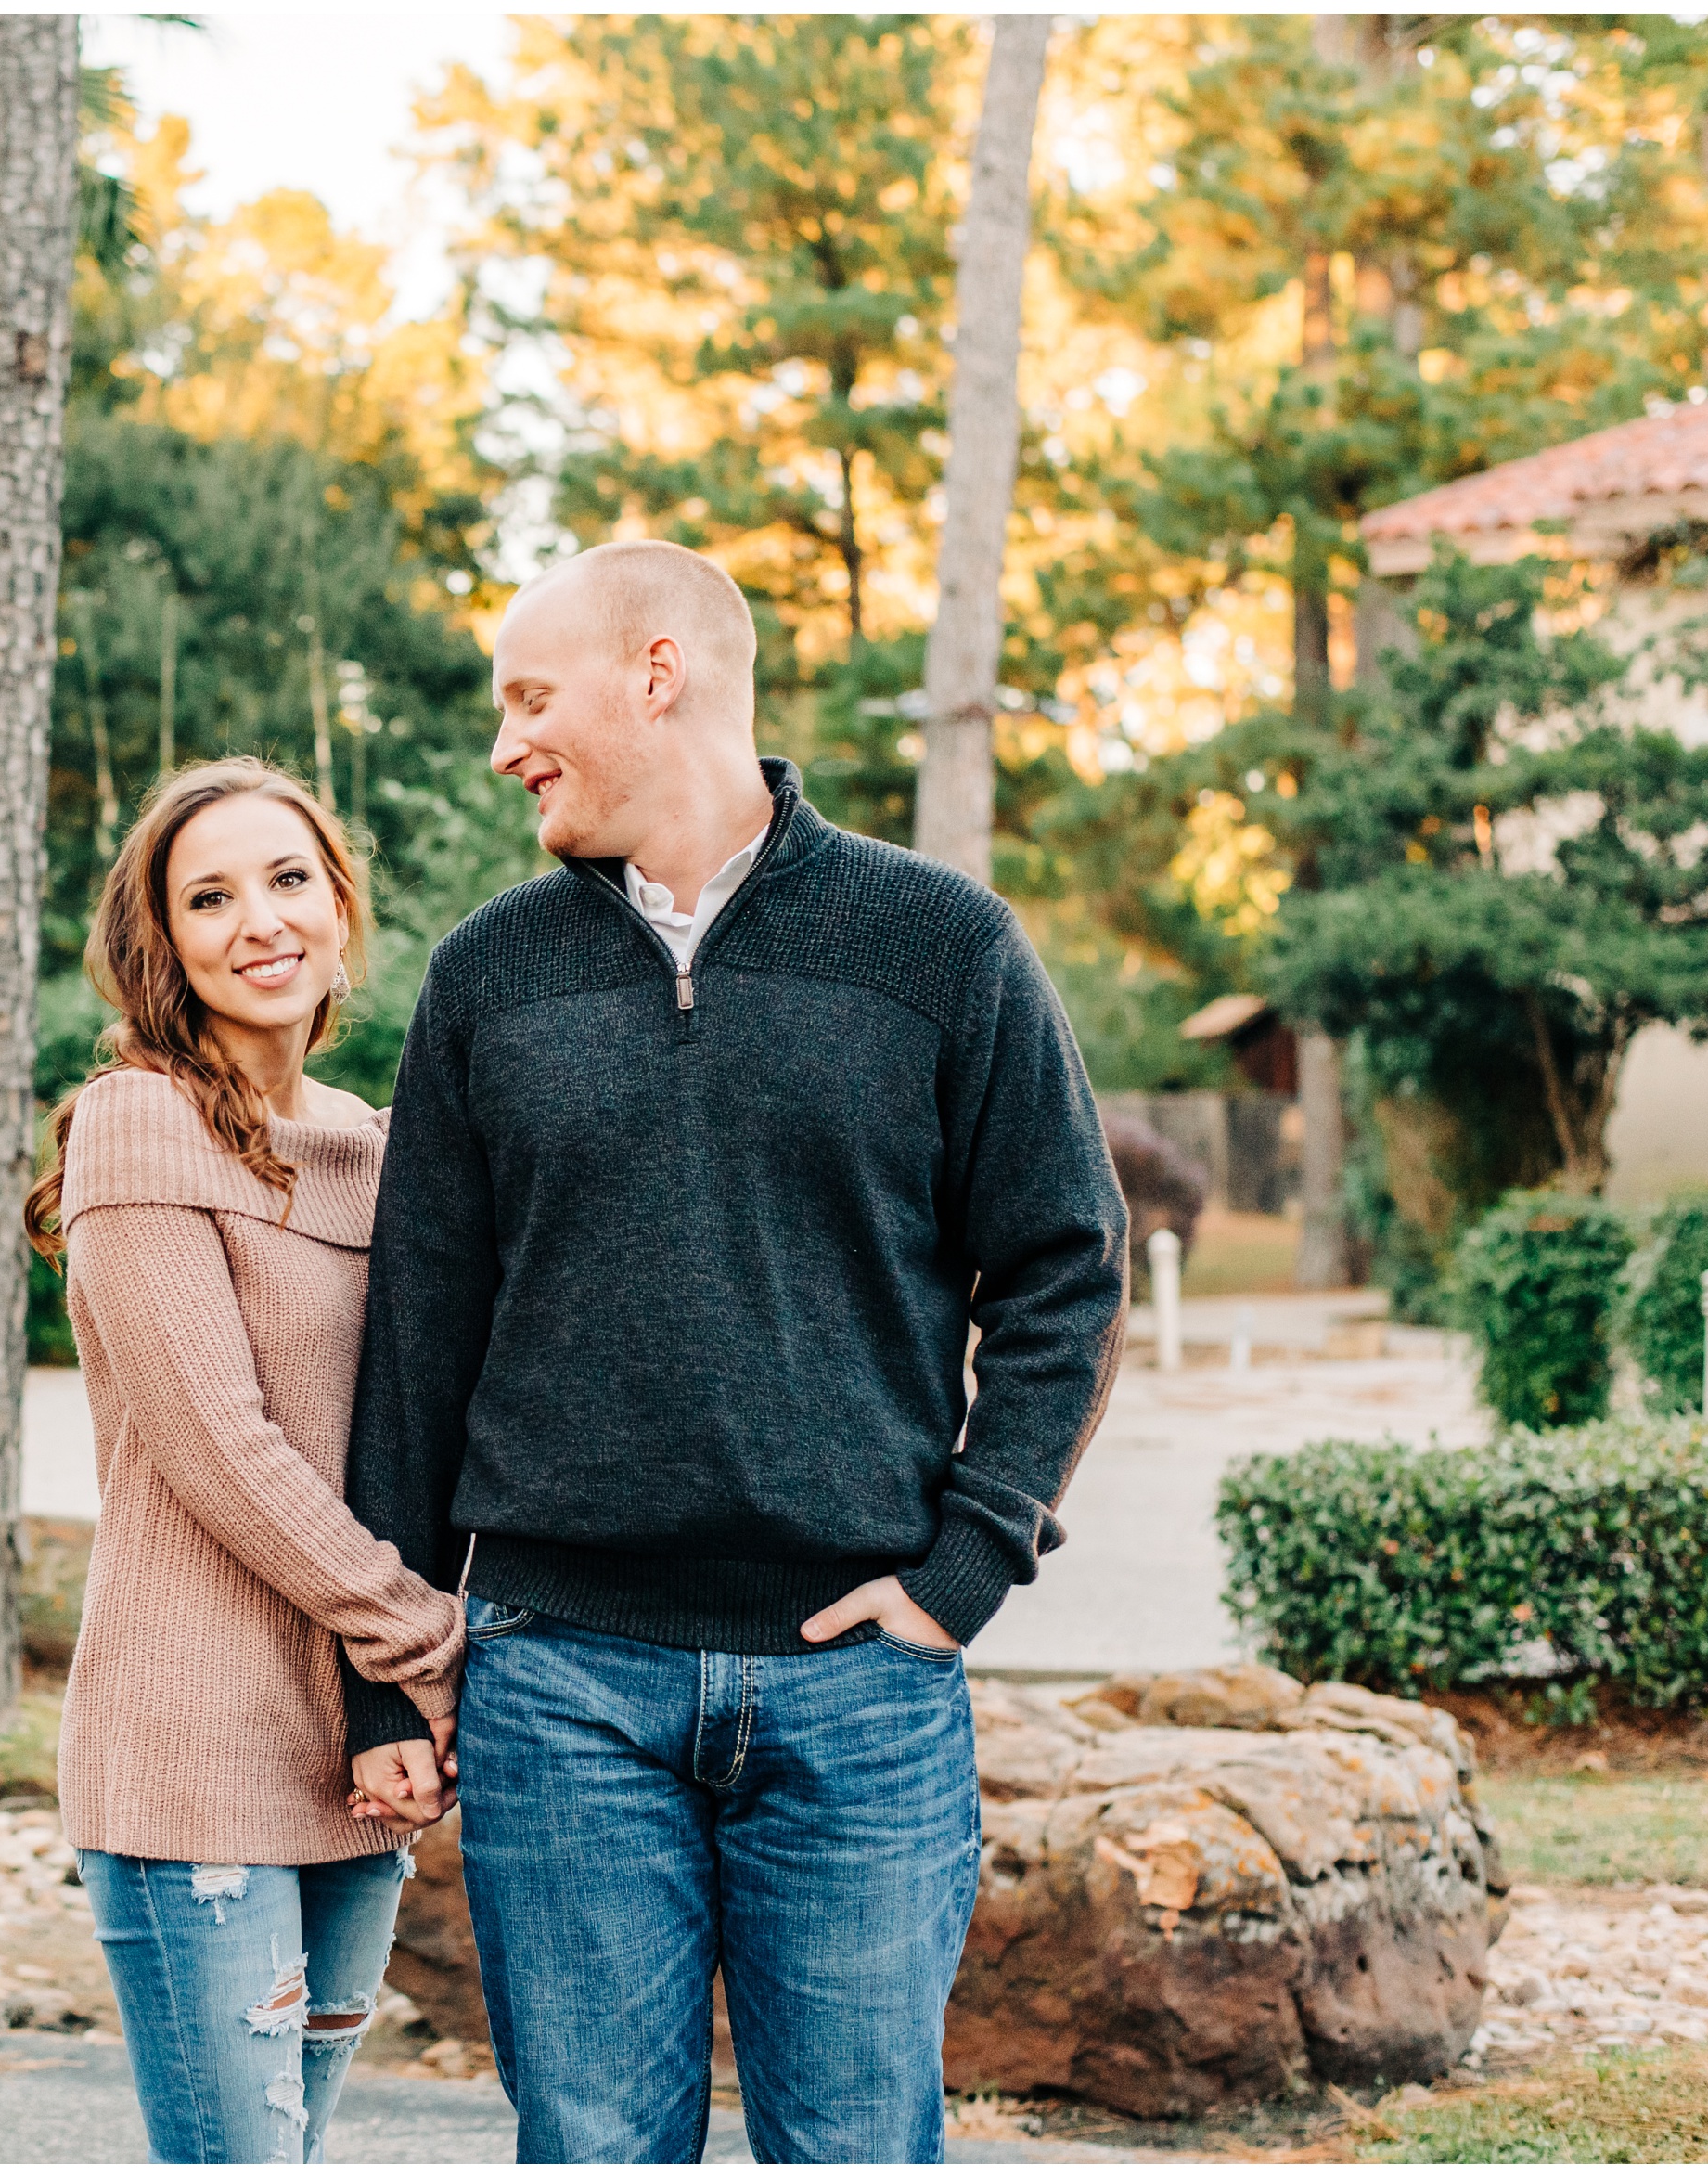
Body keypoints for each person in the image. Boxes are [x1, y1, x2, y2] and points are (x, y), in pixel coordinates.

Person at [339, 541, 1129, 2163]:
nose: (505, 745)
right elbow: (418, 1336)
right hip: (559, 1679)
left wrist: (965, 1567)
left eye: (529, 698)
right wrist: (386, 1687)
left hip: (862, 1686)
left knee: (852, 2148)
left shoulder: (940, 946)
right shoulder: (489, 975)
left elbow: (1065, 1267)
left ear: (658, 673)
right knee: (595, 2150)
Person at [27, 757, 467, 2164]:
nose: (258, 921)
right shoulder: (136, 1123)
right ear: (163, 942)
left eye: (288, 881)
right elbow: (220, 1444)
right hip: (191, 1749)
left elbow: (416, 1425)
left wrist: (396, 1694)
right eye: (209, 897)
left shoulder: (376, 1143)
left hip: (351, 1750)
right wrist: (422, 1637)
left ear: (339, 909)